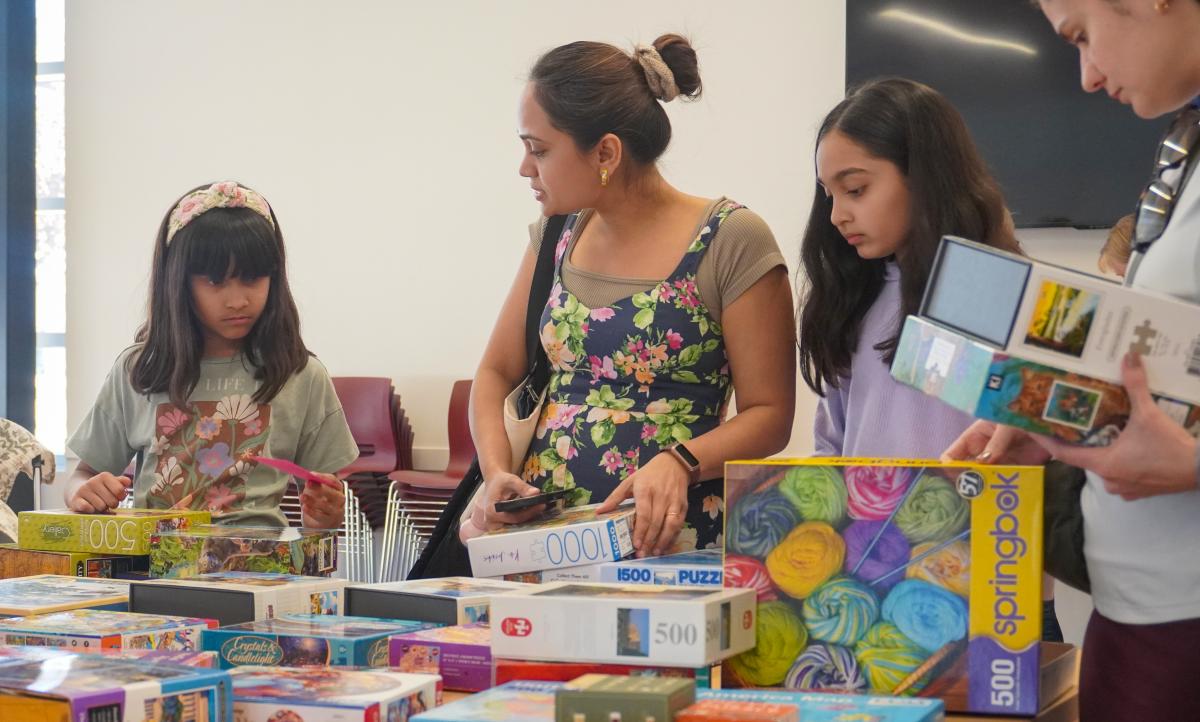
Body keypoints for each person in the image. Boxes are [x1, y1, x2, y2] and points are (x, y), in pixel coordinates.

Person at [945, 1, 1200, 717]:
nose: (1086, 77)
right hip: (1139, 606)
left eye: (1083, 36)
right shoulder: (1187, 148)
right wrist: (1066, 421)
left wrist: (1190, 466)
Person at [471, 34, 796, 557]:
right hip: (543, 541)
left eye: (539, 149)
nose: (525, 168)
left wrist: (681, 461)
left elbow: (770, 413)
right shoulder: (556, 235)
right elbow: (494, 373)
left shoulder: (730, 238)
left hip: (667, 539)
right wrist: (496, 473)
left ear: (605, 152)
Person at [797, 77, 1063, 641]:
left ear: (923, 177)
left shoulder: (1002, 292)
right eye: (829, 195)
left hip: (995, 598)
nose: (838, 214)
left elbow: (1041, 438)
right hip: (880, 592)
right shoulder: (852, 298)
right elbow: (834, 446)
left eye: (857, 189)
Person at [66, 181, 356, 529]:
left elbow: (325, 502)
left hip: (260, 575)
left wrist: (324, 515)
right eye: (215, 282)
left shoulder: (302, 375)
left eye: (252, 279)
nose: (237, 300)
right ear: (179, 282)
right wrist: (83, 491)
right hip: (151, 571)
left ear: (275, 277)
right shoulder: (139, 369)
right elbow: (82, 474)